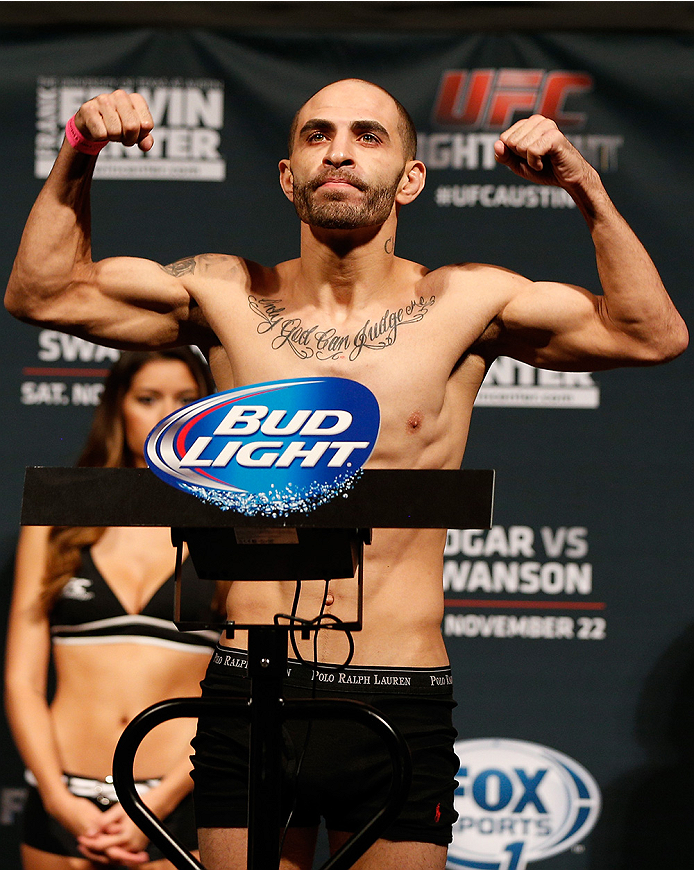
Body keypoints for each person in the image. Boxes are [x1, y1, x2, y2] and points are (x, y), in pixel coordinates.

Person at [4, 78, 688, 870]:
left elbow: (651, 334)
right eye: (317, 134)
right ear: (289, 174)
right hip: (250, 687)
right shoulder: (222, 294)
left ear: (410, 177)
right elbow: (40, 291)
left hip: (401, 687)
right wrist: (78, 155)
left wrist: (585, 183)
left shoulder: (468, 302)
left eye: (368, 136)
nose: (340, 150)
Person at [4, 348, 224, 870]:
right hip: (63, 808)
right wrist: (60, 802)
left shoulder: (228, 527)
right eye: (148, 399)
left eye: (187, 401)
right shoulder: (59, 516)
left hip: (179, 803)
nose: (168, 416)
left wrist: (157, 805)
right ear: (118, 408)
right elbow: (22, 681)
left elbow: (238, 693)